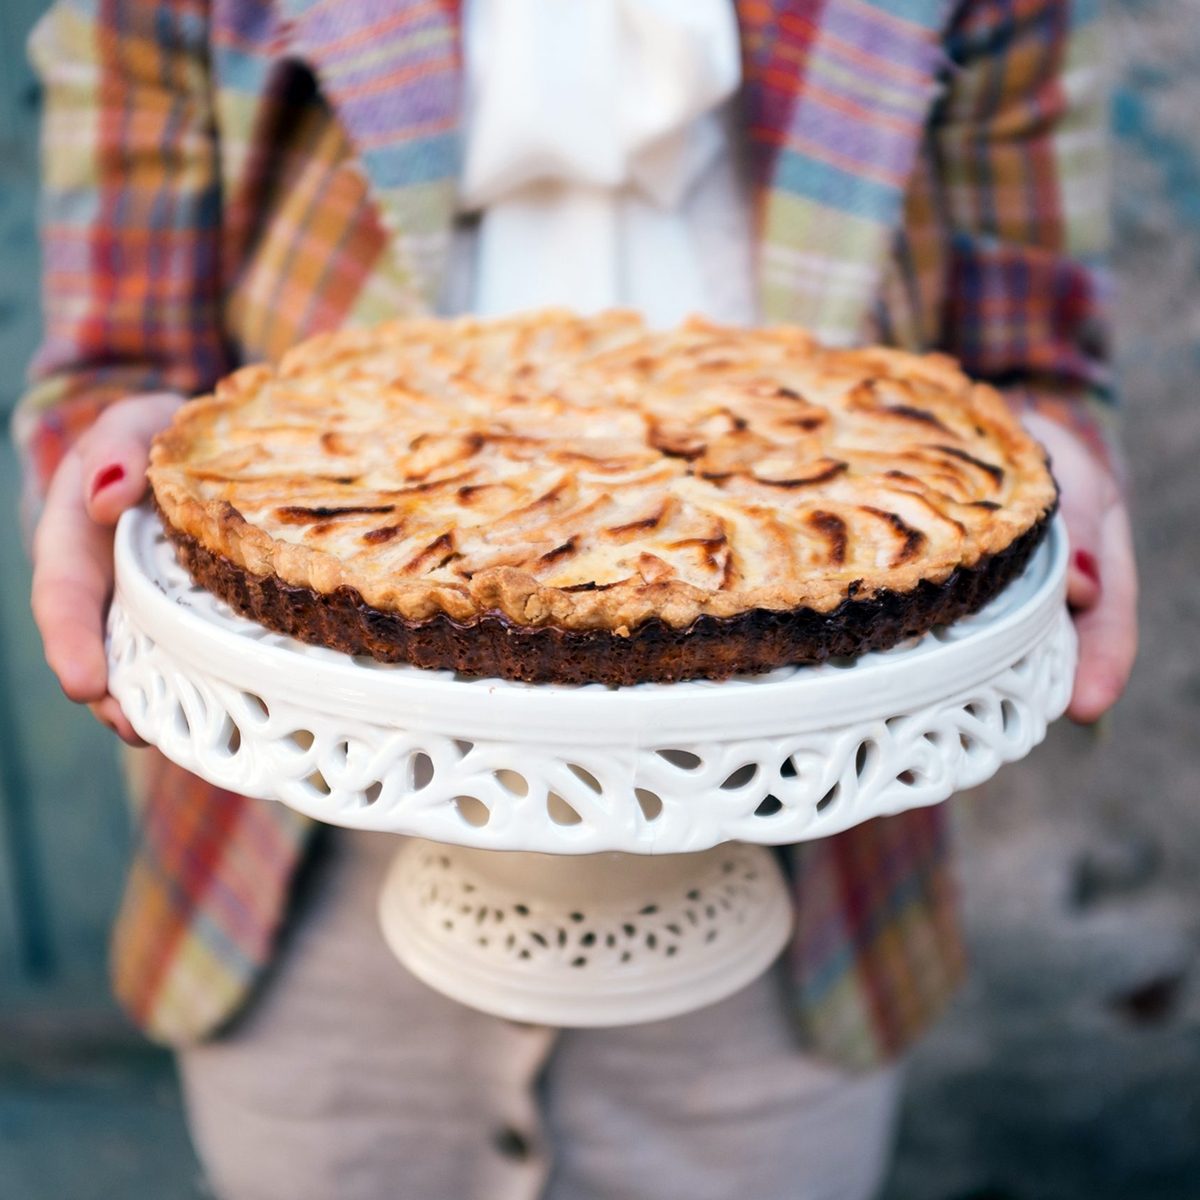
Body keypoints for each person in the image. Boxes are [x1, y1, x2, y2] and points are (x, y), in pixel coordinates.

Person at [19, 1, 1137, 1198]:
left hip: (812, 876)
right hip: (297, 871)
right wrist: (113, 450)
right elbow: (118, 358)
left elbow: (1029, 364)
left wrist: (1054, 454)